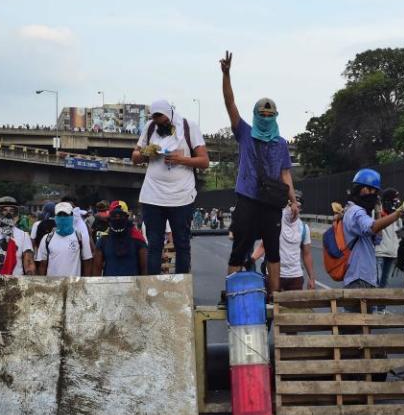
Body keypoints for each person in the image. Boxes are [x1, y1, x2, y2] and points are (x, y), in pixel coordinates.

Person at [220, 51, 297, 296]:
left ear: (275, 117)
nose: (265, 118)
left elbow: (286, 175)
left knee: (274, 250)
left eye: (269, 115)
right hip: (247, 199)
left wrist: (293, 202)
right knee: (240, 248)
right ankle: (231, 292)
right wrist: (226, 75)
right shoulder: (245, 133)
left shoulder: (281, 143)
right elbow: (230, 104)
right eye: (261, 114)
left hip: (272, 203)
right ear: (255, 115)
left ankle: (274, 297)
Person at [132, 99, 209, 275]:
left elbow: (204, 161)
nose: (159, 123)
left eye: (163, 119)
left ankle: (181, 290)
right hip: (153, 195)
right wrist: (146, 152)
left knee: (182, 244)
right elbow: (134, 156)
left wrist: (181, 160)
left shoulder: (189, 127)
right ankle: (153, 289)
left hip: (181, 196)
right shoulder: (150, 128)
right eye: (156, 119)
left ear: (170, 114)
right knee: (154, 245)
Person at [341, 169, 404, 290]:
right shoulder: (356, 211)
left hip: (366, 277)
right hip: (359, 277)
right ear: (365, 189)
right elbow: (372, 227)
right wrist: (400, 212)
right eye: (375, 192)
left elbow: (378, 238)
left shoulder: (361, 212)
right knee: (359, 309)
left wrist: (377, 212)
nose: (376, 196)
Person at [250, 190, 317, 292]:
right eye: (291, 205)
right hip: (275, 276)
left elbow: (307, 254)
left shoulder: (304, 228)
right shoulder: (275, 222)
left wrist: (311, 278)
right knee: (273, 307)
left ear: (300, 209)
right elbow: (263, 246)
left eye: (297, 207)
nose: (293, 210)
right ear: (286, 205)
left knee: (294, 308)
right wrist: (251, 260)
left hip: (295, 278)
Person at [36, 202, 93, 277]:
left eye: (65, 215)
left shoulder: (81, 237)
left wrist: (85, 284)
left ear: (72, 216)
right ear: (55, 217)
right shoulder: (46, 239)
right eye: (59, 215)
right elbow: (42, 265)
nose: (62, 218)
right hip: (53, 286)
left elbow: (87, 262)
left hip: (73, 286)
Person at [93, 201, 147, 277]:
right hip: (109, 286)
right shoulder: (103, 241)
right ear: (110, 218)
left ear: (127, 217)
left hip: (133, 287)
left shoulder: (138, 240)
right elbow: (97, 269)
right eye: (114, 216)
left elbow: (144, 269)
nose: (117, 218)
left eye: (121, 215)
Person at [375, 188, 401, 288]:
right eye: (394, 200)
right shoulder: (378, 213)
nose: (397, 202)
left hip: (391, 253)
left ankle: (381, 304)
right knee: (376, 284)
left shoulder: (397, 213)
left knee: (384, 284)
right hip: (379, 253)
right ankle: (374, 304)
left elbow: (398, 232)